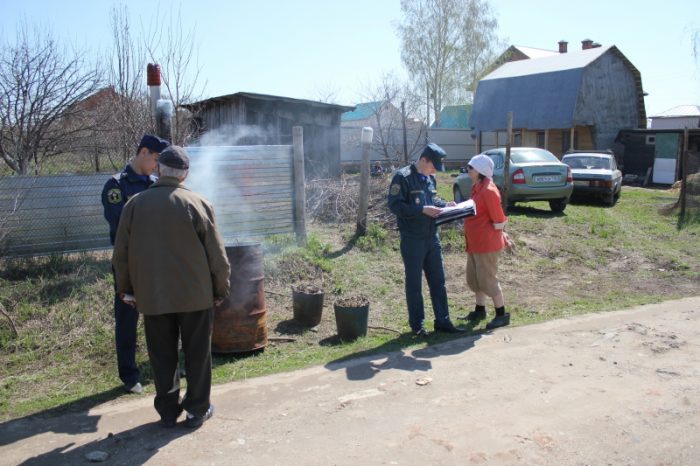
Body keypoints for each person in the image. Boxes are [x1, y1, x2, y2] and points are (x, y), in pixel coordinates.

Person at [112, 145, 230, 428]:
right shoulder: (199, 204)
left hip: (153, 298)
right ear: (185, 174)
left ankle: (167, 412)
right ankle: (196, 411)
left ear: (158, 169)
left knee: (162, 356)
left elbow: (121, 255)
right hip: (196, 298)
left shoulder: (134, 205)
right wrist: (220, 290)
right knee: (198, 355)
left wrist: (126, 290)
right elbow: (218, 257)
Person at [101, 134, 169, 394]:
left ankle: (165, 366)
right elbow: (121, 228)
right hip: (129, 265)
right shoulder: (116, 186)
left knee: (163, 317)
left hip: (157, 263)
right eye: (155, 159)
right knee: (127, 320)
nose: (157, 165)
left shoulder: (156, 183)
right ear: (143, 152)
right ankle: (129, 376)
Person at [387, 143, 465, 337]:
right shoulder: (402, 177)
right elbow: (395, 206)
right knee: (414, 284)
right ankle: (417, 326)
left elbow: (431, 201)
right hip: (412, 239)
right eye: (433, 166)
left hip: (432, 238)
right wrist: (421, 210)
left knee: (438, 282)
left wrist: (445, 205)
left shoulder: (429, 179)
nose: (434, 171)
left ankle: (443, 321)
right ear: (423, 160)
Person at [462, 154, 512, 330]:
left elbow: (498, 218)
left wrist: (503, 235)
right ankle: (480, 310)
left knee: (488, 280)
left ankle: (502, 314)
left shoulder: (488, 190)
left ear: (481, 171)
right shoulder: (477, 187)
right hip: (475, 243)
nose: (468, 169)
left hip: (487, 244)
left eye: (471, 167)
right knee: (475, 279)